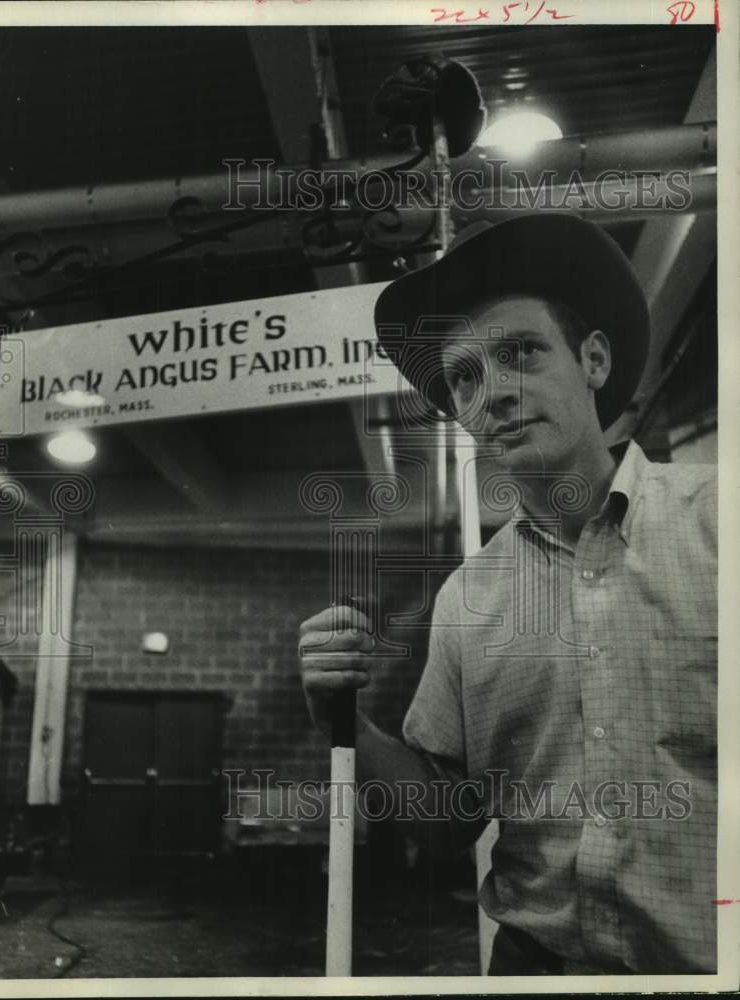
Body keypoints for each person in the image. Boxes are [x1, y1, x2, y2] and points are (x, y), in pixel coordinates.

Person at [298, 214, 717, 975]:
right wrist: (343, 721)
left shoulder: (720, 525)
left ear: (592, 359)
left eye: (520, 352)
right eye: (463, 377)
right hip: (534, 967)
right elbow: (443, 824)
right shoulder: (468, 599)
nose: (492, 393)